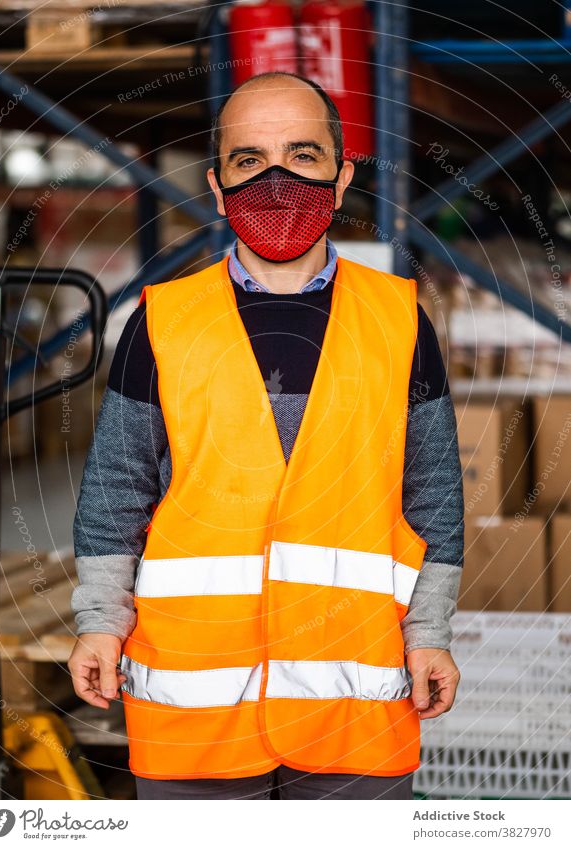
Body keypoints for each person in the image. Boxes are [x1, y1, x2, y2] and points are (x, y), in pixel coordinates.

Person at [68, 72, 464, 801]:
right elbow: (115, 487)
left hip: (354, 708)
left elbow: (433, 493)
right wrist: (99, 621)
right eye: (249, 161)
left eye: (302, 156)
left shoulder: (398, 323)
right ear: (217, 187)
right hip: (195, 709)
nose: (276, 180)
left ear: (340, 179)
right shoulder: (162, 322)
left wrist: (429, 632)